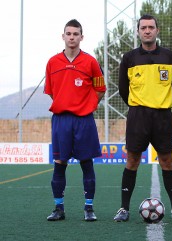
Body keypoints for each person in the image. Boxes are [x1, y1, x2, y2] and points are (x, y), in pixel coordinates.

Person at [114, 14, 172, 222]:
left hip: (162, 116)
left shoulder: (169, 57)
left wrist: (161, 102)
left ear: (157, 31)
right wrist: (139, 104)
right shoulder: (129, 58)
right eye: (143, 27)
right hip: (138, 116)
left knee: (166, 161)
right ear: (138, 31)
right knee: (132, 160)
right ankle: (123, 209)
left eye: (151, 27)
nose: (147, 31)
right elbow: (123, 88)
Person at [44, 19, 106, 222]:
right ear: (63, 36)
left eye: (75, 33)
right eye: (68, 33)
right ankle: (58, 208)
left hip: (84, 120)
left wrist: (86, 106)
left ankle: (89, 208)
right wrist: (66, 104)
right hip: (61, 120)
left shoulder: (91, 62)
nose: (72, 37)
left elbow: (100, 89)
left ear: (81, 37)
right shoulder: (53, 62)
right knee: (60, 162)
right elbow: (52, 92)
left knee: (86, 162)